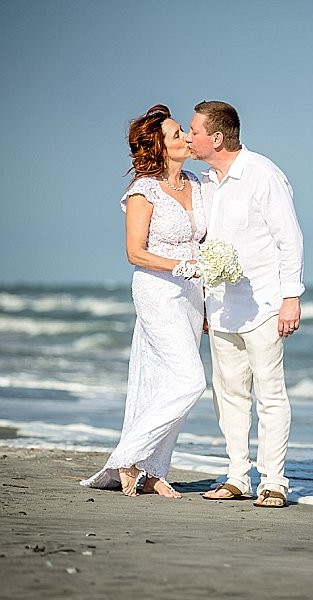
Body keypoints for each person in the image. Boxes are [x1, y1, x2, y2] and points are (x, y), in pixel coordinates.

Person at [81, 104, 207, 498]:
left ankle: (153, 470)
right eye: (176, 135)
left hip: (192, 296)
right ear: (159, 148)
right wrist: (179, 266)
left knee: (161, 381)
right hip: (157, 291)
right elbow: (134, 253)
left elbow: (205, 243)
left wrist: (206, 294)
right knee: (191, 381)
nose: (186, 137)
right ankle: (128, 455)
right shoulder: (143, 190)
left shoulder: (197, 184)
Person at [186, 100, 304, 508]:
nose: (188, 136)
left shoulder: (263, 175)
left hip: (264, 304)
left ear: (216, 138)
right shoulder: (204, 182)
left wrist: (292, 298)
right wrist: (202, 303)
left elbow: (290, 239)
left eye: (194, 131)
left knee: (270, 394)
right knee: (228, 394)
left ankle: (275, 481)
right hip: (220, 306)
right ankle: (238, 476)